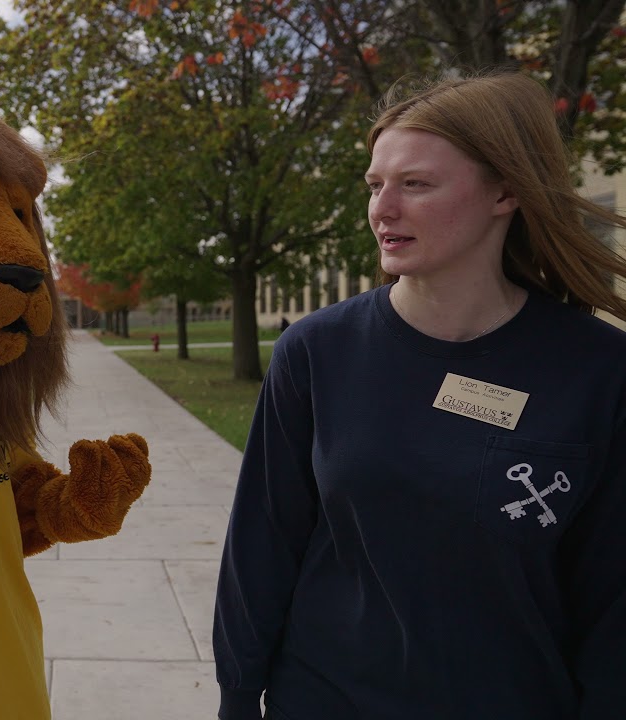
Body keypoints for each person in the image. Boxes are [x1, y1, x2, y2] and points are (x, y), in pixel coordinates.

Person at [213, 72, 626, 720]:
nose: (382, 208)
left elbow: (613, 599)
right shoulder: (316, 352)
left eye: (415, 184)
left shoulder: (598, 371)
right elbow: (261, 547)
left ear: (505, 191)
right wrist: (237, 697)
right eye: (374, 184)